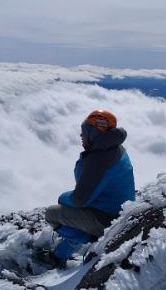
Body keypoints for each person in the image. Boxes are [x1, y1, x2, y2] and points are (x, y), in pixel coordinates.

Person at [37, 109, 135, 268]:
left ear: (94, 132)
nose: (81, 136)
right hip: (117, 213)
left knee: (52, 213)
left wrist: (62, 197)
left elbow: (79, 200)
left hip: (107, 220)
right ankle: (58, 256)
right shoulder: (114, 149)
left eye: (84, 132)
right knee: (73, 214)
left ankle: (89, 238)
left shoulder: (99, 159)